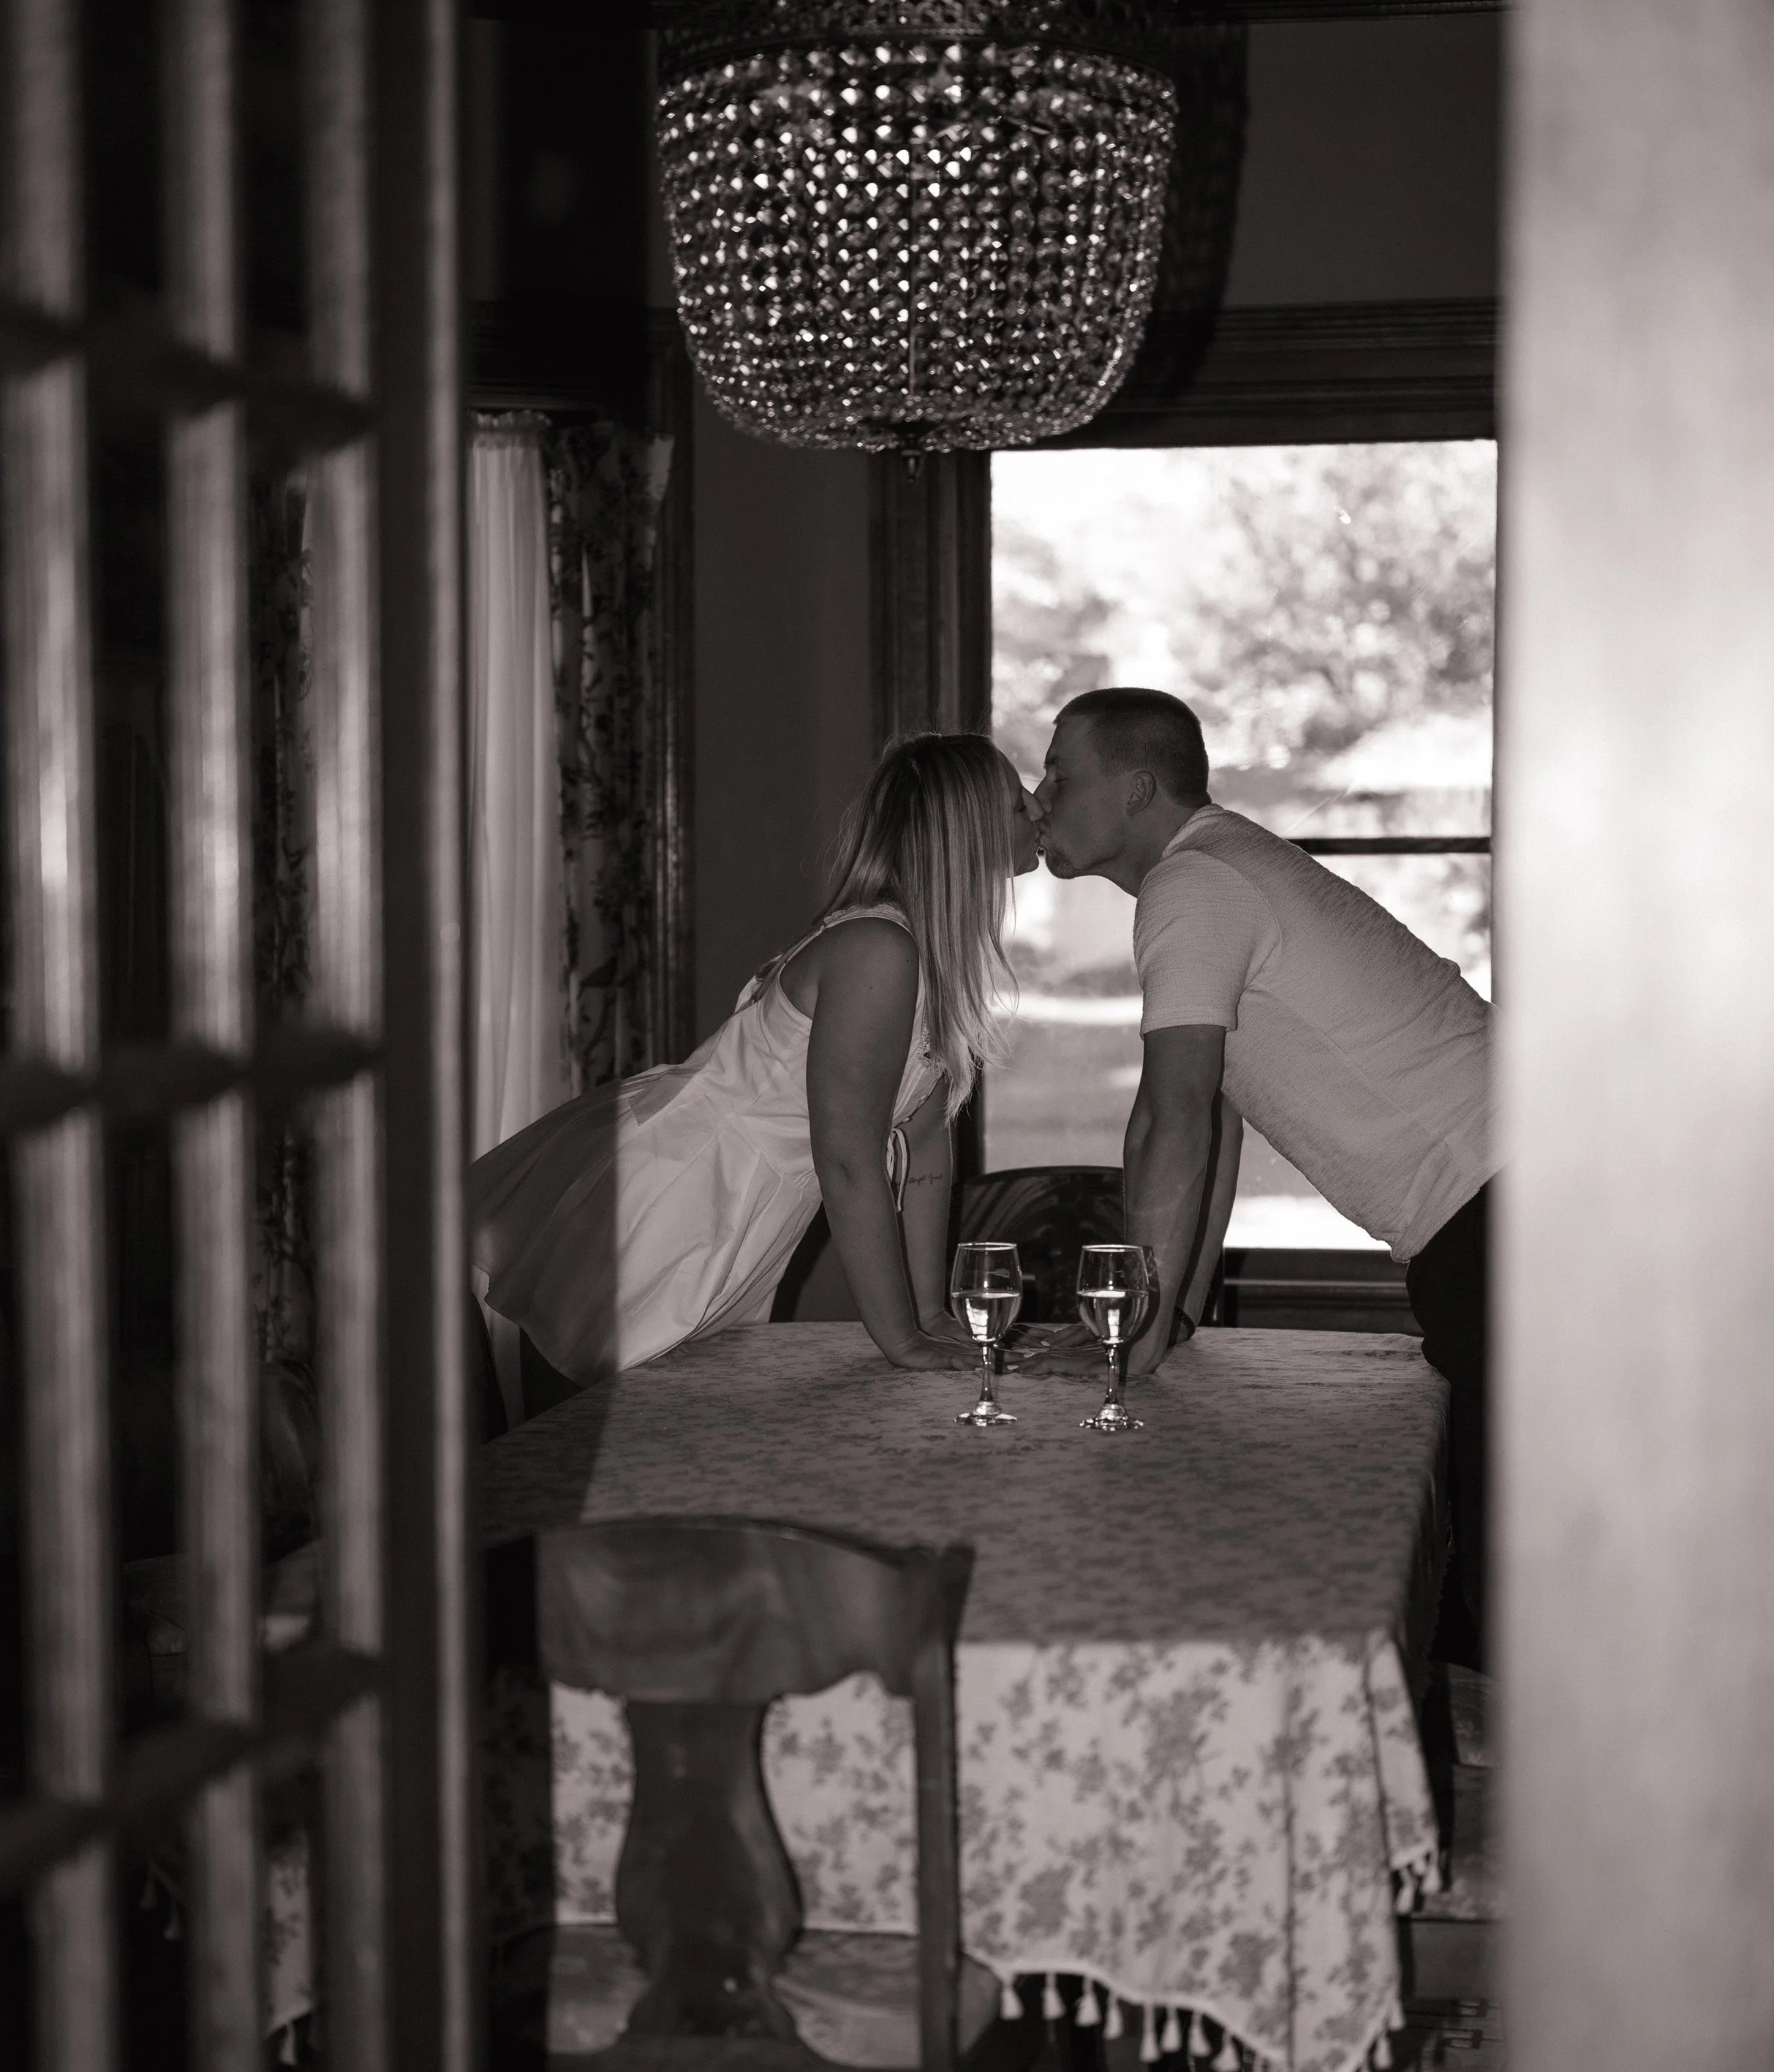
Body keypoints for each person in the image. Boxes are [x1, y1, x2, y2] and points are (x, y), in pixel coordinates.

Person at [1033, 685, 1495, 1656]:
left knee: (1511, 1588)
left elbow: (1172, 1113)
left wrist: (1134, 1327)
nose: (1040, 797)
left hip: (1513, 1223)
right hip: (1512, 1209)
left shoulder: (1195, 883)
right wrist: (1172, 1317)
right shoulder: (1222, 869)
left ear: (1136, 788)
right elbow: (1220, 1119)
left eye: (1059, 774)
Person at [472, 733, 1039, 1390]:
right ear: (967, 828)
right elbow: (850, 1159)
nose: (1035, 808)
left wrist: (932, 1308)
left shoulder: (929, 957)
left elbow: (925, 1143)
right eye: (1018, 803)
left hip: (735, 1211)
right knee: (585, 1451)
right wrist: (903, 1340)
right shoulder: (880, 949)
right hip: (676, 1200)